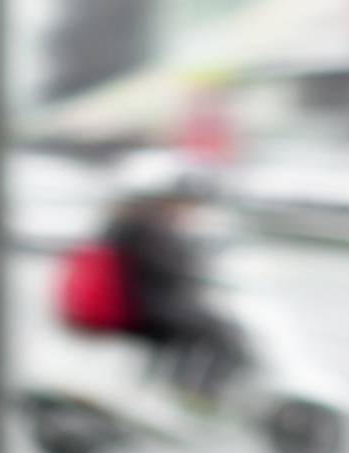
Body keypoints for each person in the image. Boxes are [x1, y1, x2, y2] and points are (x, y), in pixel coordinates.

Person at [105, 161, 246, 396]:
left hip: (145, 303)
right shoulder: (149, 227)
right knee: (230, 336)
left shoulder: (131, 223)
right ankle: (202, 392)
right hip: (152, 308)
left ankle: (175, 386)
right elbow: (172, 268)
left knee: (209, 330)